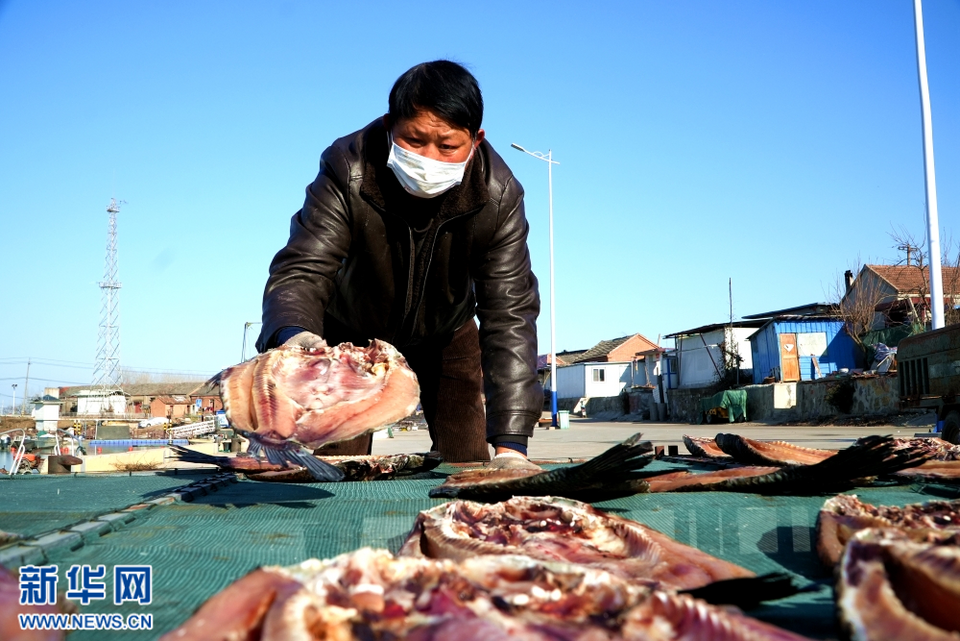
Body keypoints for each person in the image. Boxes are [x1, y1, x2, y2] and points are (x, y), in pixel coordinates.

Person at [255, 60, 543, 464]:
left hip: (447, 333)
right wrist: (294, 335)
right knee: (334, 467)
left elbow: (509, 312)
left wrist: (512, 445)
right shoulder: (348, 167)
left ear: (476, 140)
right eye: (413, 140)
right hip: (348, 334)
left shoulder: (500, 194)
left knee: (467, 460)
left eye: (448, 146)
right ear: (391, 125)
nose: (429, 158)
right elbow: (304, 267)